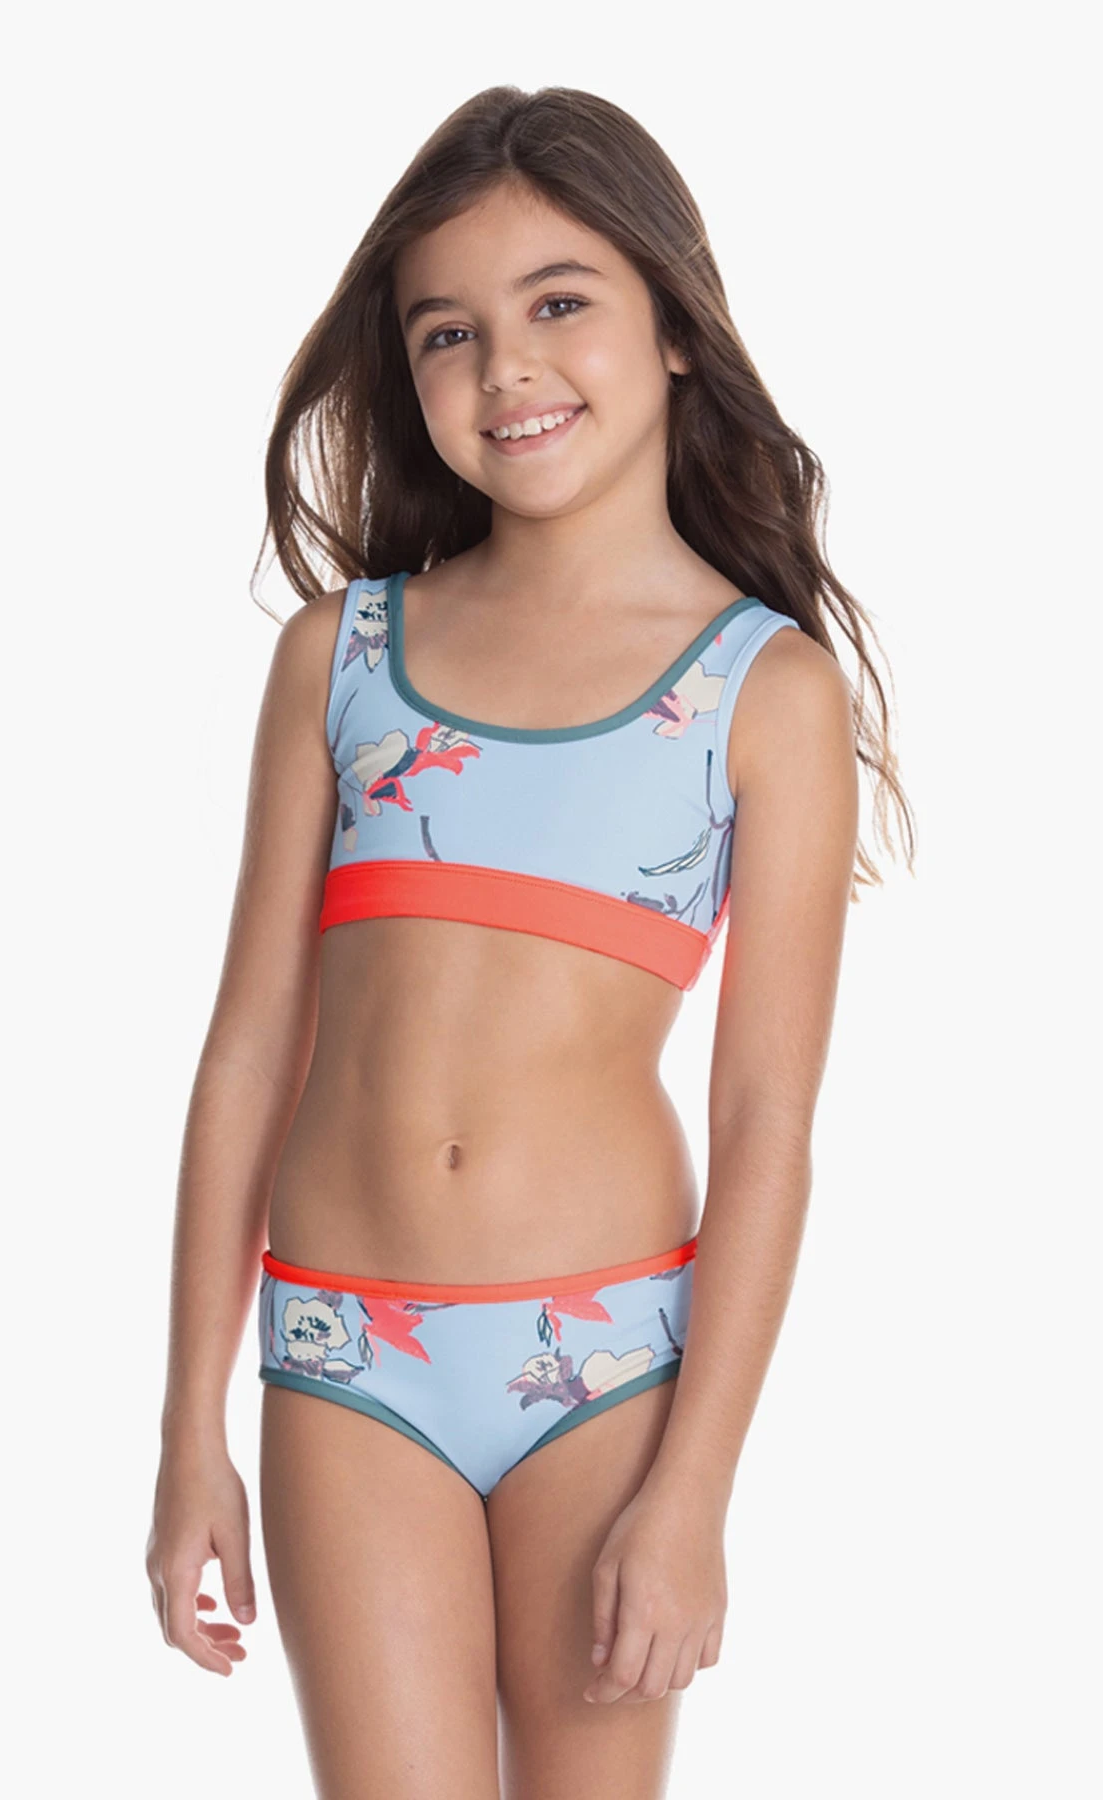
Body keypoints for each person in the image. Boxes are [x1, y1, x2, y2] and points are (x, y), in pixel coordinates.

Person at [146, 84, 914, 1797]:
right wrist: (192, 1425)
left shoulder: (766, 692)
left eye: (559, 302)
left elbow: (767, 1122)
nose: (507, 369)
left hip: (609, 1370)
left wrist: (695, 1488)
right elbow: (250, 1051)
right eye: (450, 332)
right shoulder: (341, 657)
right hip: (346, 1357)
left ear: (677, 329)